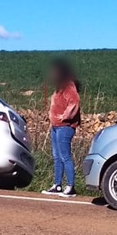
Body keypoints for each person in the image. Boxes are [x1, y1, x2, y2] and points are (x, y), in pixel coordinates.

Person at [42, 58, 82, 197]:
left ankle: (70, 186)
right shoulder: (59, 87)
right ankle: (57, 185)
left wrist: (64, 117)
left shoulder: (69, 86)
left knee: (65, 156)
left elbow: (74, 103)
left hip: (65, 127)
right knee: (56, 157)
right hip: (56, 127)